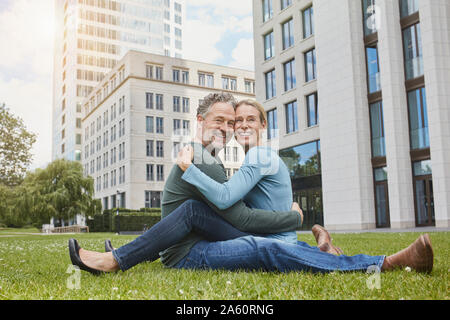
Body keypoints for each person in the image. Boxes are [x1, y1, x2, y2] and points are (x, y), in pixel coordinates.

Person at [69, 93, 434, 275]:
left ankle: (118, 256)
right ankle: (382, 263)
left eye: (235, 122)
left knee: (230, 228)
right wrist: (294, 219)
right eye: (223, 121)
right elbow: (239, 219)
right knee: (262, 247)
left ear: (260, 125)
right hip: (189, 254)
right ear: (200, 121)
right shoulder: (201, 158)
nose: (229, 129)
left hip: (193, 243)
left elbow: (216, 214)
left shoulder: (212, 159)